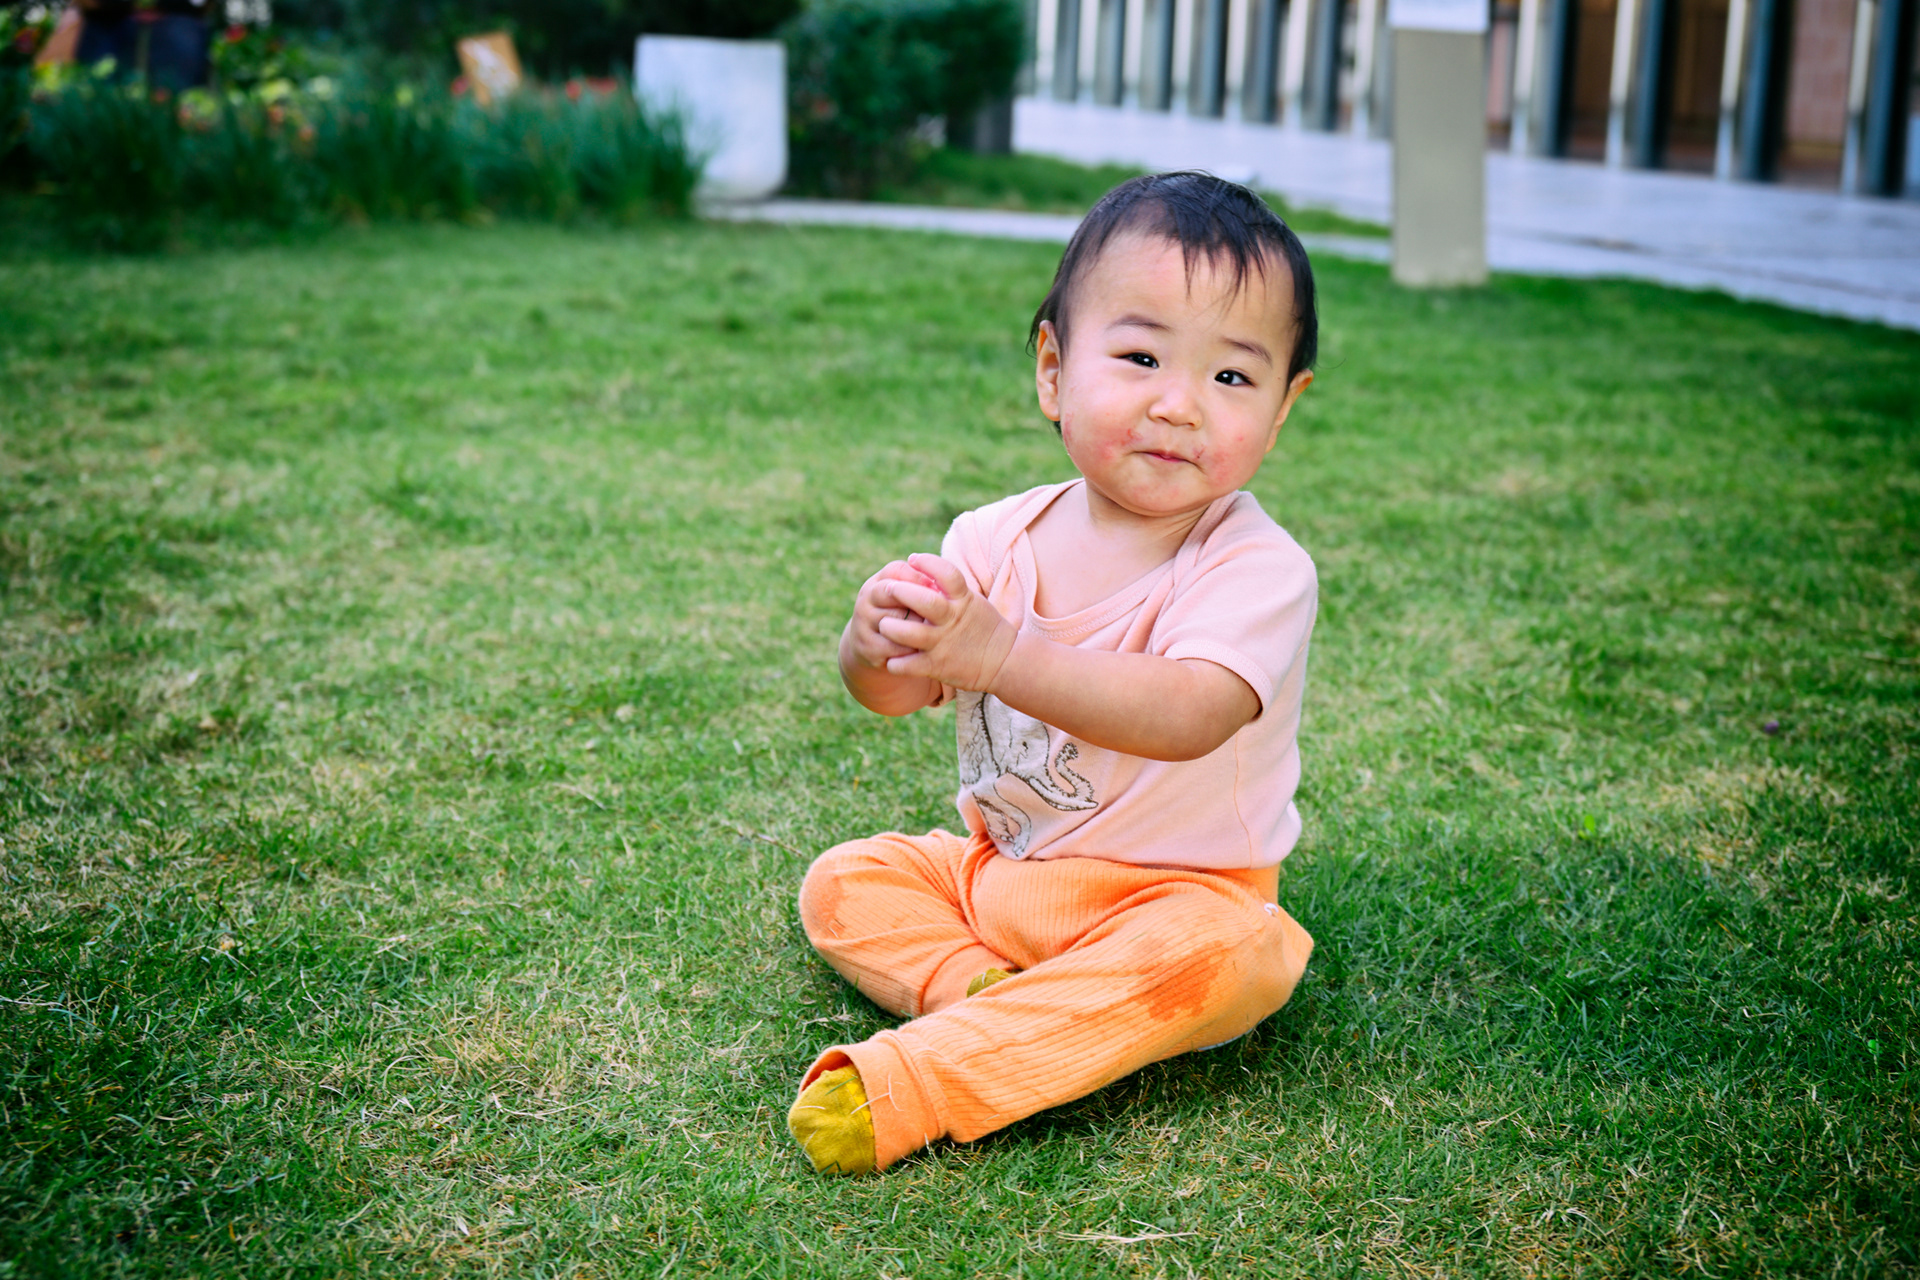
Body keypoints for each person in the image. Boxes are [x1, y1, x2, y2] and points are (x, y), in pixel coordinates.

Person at [788, 171, 1322, 1175]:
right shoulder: (992, 539)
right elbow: (895, 692)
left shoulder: (1256, 568)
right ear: (1052, 370)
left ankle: (926, 1076)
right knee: (848, 881)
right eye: (1142, 357)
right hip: (1000, 876)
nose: (1180, 405)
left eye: (1231, 377)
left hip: (1176, 900)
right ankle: (983, 992)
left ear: (1283, 408)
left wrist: (1001, 653)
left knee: (1223, 956)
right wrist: (872, 644)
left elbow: (1188, 711)